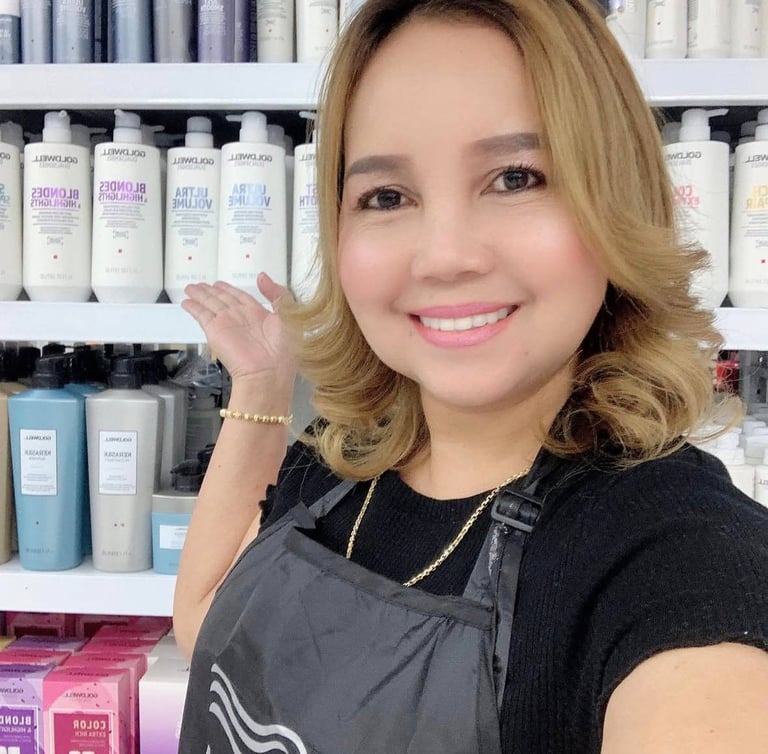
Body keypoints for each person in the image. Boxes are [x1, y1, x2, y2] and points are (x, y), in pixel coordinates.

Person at [173, 1, 768, 751]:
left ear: (617, 200)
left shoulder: (674, 557)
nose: (445, 256)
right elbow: (208, 627)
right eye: (386, 196)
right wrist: (263, 383)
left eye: (516, 178)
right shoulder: (340, 458)